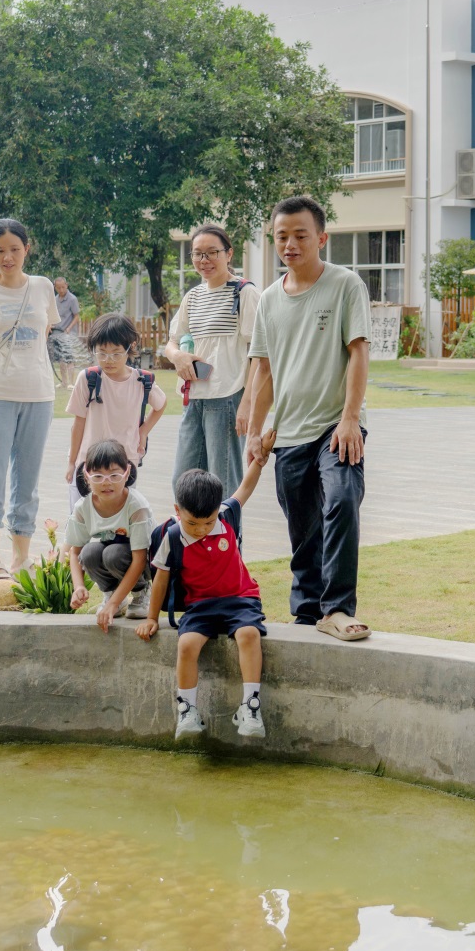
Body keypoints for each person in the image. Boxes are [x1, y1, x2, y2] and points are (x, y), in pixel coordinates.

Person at [242, 196, 371, 643]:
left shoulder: (345, 284)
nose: (290, 244)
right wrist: (255, 431)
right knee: (302, 528)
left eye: (300, 235)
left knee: (342, 501)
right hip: (289, 432)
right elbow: (263, 370)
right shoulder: (269, 299)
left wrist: (350, 418)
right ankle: (307, 613)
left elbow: (358, 351)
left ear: (321, 237)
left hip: (337, 425)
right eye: (282, 237)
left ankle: (337, 609)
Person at [137, 434, 278, 741]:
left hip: (239, 599)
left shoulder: (227, 516)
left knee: (249, 635)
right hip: (200, 605)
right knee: (187, 645)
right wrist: (151, 618)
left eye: (208, 521)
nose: (201, 529)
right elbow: (160, 579)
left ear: (217, 510)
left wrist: (261, 456)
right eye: (192, 523)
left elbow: (246, 487)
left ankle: (250, 706)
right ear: (177, 510)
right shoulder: (172, 537)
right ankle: (187, 710)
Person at [0, 218, 62, 578]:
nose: (8, 257)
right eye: (0, 250)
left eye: (15, 249)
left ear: (26, 249)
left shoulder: (43, 286)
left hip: (39, 394)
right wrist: (1, 362)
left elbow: (44, 330)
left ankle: (21, 557)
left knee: (27, 480)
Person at [164, 225, 257, 489]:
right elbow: (171, 342)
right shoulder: (193, 297)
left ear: (229, 254)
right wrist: (178, 356)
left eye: (212, 252)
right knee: (184, 482)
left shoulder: (244, 292)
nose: (204, 260)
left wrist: (247, 404)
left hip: (227, 397)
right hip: (193, 397)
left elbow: (260, 354)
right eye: (197, 254)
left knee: (223, 481)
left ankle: (227, 520)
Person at [64, 313, 166, 495]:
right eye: (102, 353)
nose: (108, 360)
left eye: (116, 353)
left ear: (130, 347)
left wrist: (143, 431)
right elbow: (78, 424)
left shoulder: (142, 381)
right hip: (89, 464)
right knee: (82, 511)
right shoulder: (88, 379)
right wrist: (72, 462)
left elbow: (161, 404)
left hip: (124, 466)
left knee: (121, 511)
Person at [64, 437, 156, 622]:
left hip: (144, 560)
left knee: (113, 554)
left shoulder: (136, 506)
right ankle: (112, 593)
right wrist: (79, 586)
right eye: (98, 476)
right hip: (115, 553)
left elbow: (139, 559)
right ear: (86, 476)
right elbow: (75, 552)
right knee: (89, 553)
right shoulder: (83, 507)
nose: (106, 483)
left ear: (127, 473)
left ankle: (141, 592)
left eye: (114, 475)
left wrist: (112, 605)